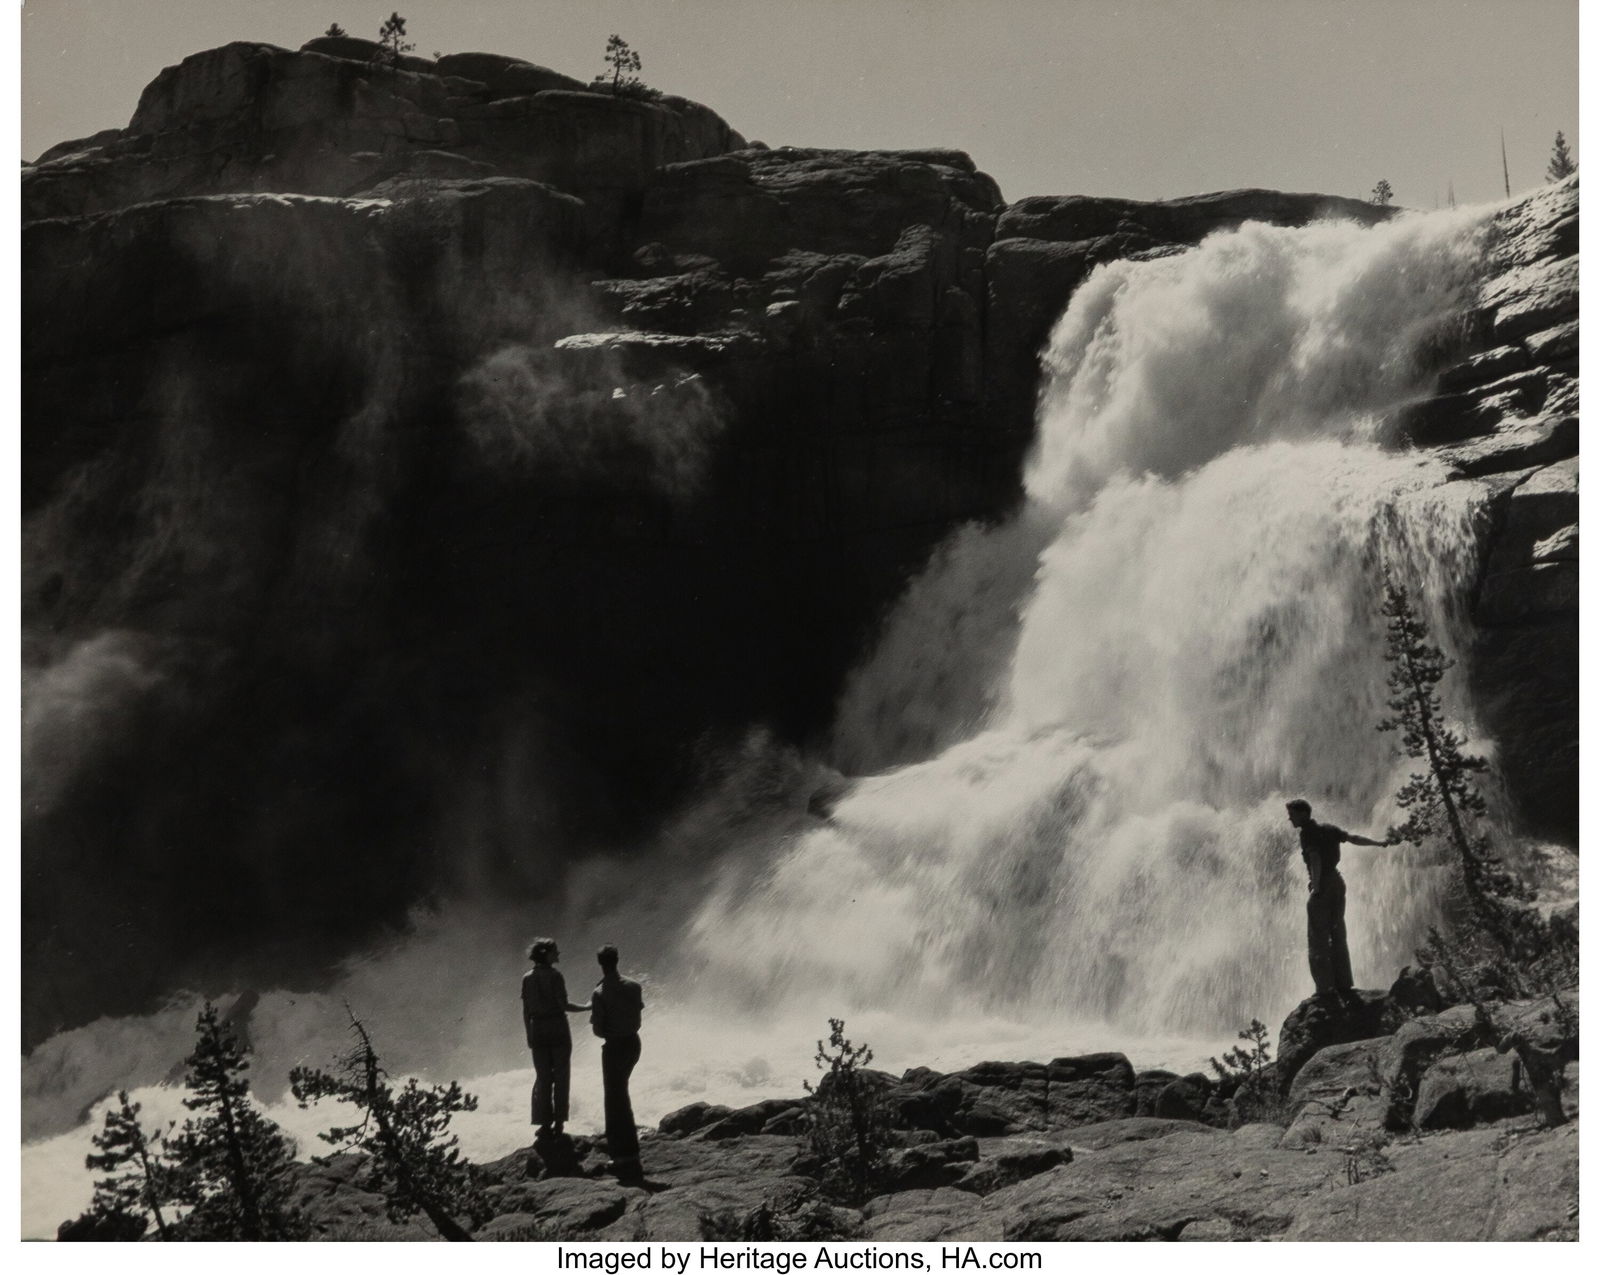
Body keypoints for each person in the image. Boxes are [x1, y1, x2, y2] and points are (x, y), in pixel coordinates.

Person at [1285, 799, 1392, 999]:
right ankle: (1343, 983)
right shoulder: (1329, 829)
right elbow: (1353, 838)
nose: (1289, 818)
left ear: (1303, 814)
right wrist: (1378, 843)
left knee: (1318, 937)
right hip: (1337, 882)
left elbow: (1315, 858)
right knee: (1337, 932)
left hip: (1323, 885)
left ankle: (1324, 988)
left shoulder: (1307, 833)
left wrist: (1315, 886)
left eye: (1291, 814)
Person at [521, 938, 589, 1134]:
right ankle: (559, 1123)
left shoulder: (527, 978)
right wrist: (587, 1007)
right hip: (557, 1027)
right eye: (555, 951)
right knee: (561, 1075)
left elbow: (525, 1010)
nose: (558, 954)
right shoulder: (555, 976)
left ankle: (543, 1124)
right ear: (546, 954)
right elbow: (564, 1005)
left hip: (537, 1029)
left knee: (543, 1077)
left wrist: (529, 1034)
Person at [589, 943, 645, 1180]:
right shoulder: (634, 986)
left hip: (614, 1048)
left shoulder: (599, 993)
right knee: (621, 1095)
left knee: (615, 1101)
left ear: (600, 964)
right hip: (633, 1044)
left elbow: (598, 1031)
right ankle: (628, 1152)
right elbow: (638, 1018)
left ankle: (624, 1156)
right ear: (617, 960)